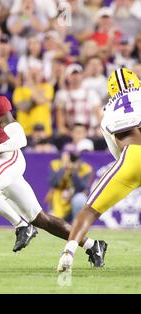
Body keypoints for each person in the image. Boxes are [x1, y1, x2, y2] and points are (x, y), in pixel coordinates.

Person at [0, 65, 105, 264]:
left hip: (8, 157)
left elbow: (20, 137)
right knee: (40, 218)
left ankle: (20, 225)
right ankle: (93, 245)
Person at [57, 67, 140, 273]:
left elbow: (116, 153)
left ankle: (68, 252)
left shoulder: (107, 112)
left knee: (90, 209)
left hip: (132, 157)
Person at [46, 144, 93, 221]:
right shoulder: (55, 164)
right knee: (52, 221)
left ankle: (77, 226)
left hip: (74, 199)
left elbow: (81, 188)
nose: (71, 158)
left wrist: (73, 172)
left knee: (80, 199)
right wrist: (63, 167)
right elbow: (53, 183)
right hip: (58, 199)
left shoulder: (85, 167)